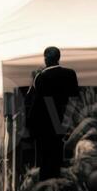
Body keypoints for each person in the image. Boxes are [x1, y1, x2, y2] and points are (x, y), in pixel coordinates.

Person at [27, 46, 77, 180]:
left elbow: (35, 101)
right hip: (61, 124)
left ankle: (45, 189)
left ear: (45, 58)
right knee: (59, 161)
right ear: (58, 58)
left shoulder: (40, 77)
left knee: (44, 163)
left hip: (44, 127)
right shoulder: (70, 74)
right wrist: (65, 124)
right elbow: (73, 101)